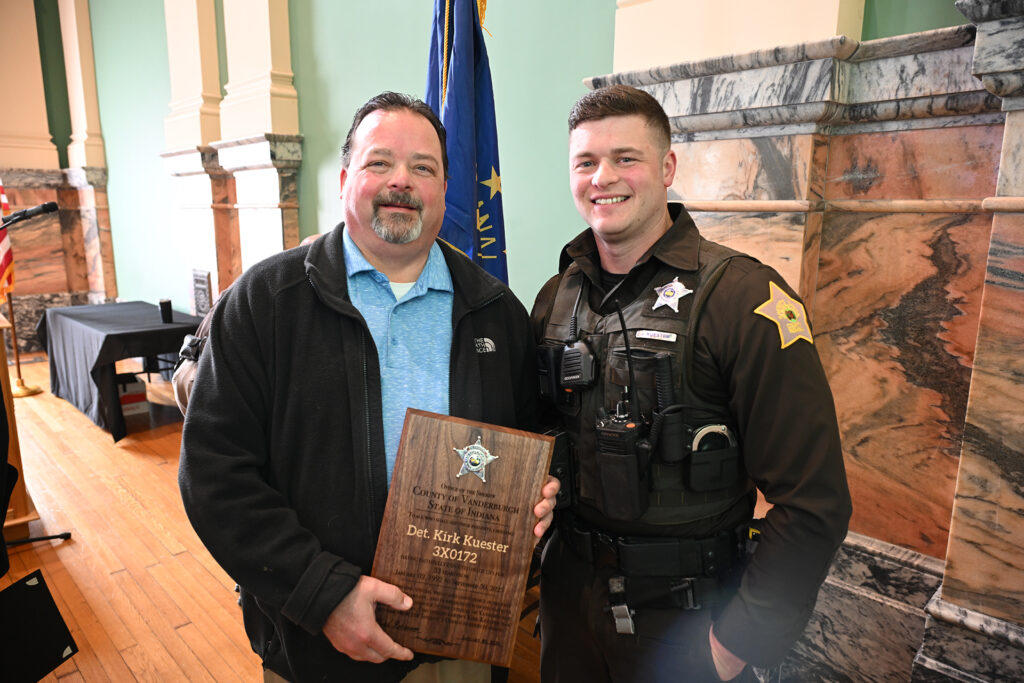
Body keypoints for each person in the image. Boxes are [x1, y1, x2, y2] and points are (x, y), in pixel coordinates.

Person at [179, 91, 558, 683]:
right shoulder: (265, 303)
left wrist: (536, 490)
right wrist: (323, 595)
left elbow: (528, 438)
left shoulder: (496, 311)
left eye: (423, 167)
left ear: (444, 189)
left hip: (458, 642)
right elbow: (214, 475)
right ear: (344, 180)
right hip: (314, 639)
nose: (401, 180)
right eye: (380, 162)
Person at [531, 85, 852, 682]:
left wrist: (735, 645)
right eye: (586, 162)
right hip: (568, 608)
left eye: (626, 158)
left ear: (667, 168)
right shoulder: (556, 297)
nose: (603, 177)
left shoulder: (743, 297)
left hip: (686, 623)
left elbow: (814, 501)